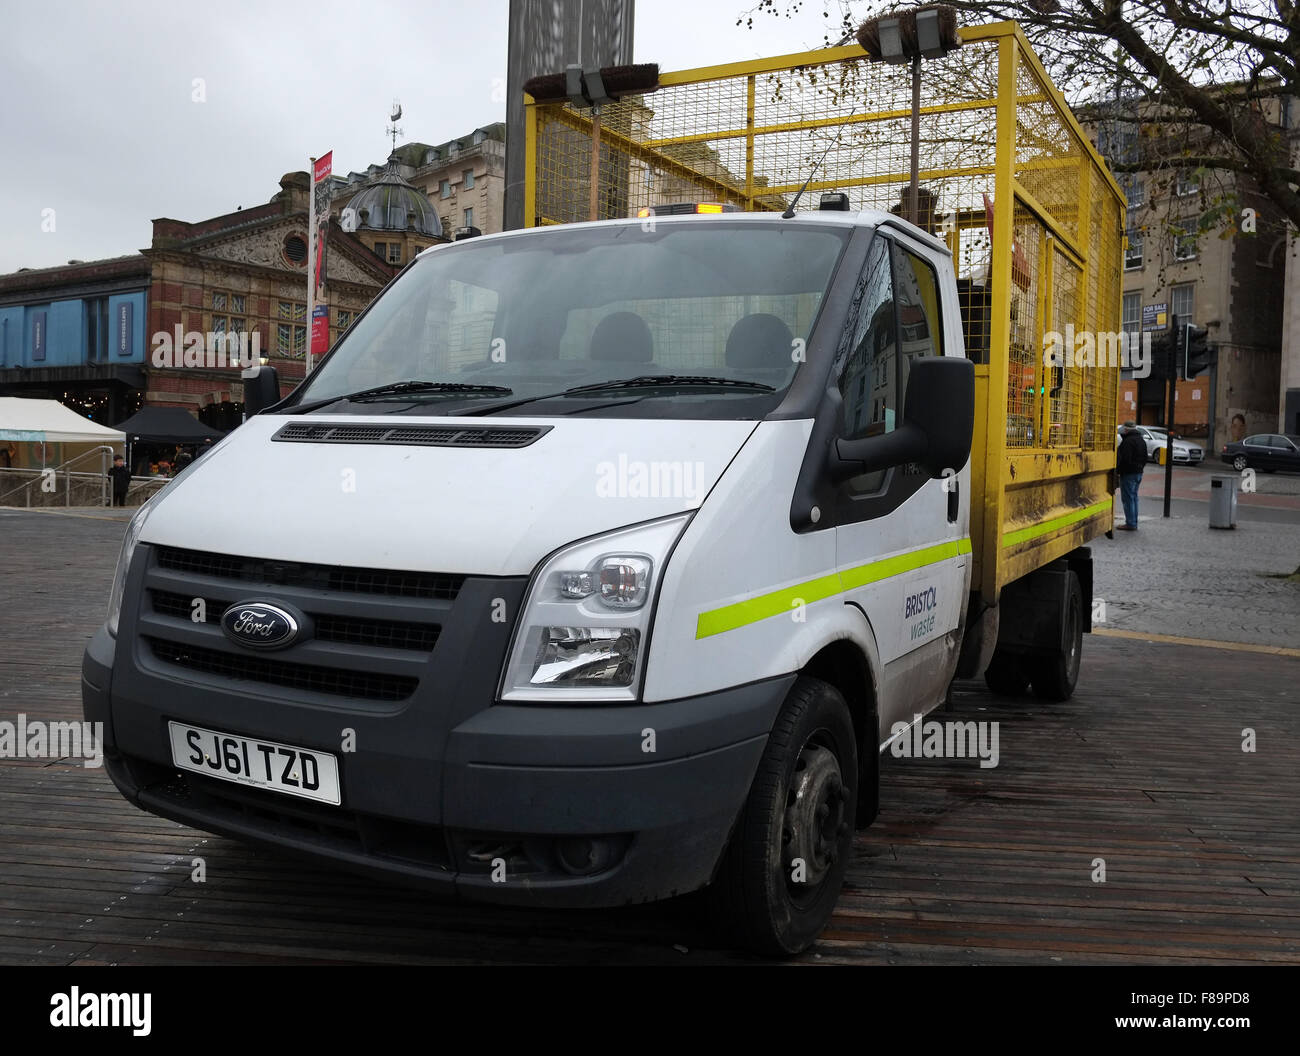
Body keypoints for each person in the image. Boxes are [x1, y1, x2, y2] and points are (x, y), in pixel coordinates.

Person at [1116, 421, 1147, 531]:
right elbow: (1145, 458)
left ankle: (1130, 523)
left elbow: (1124, 459)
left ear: (1126, 430)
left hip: (1129, 473)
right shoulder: (1141, 440)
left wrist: (1119, 471)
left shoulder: (1128, 442)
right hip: (1138, 472)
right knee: (1134, 498)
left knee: (1128, 498)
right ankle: (1133, 522)